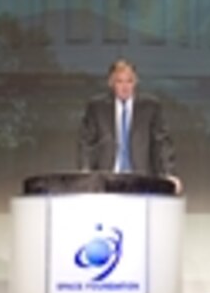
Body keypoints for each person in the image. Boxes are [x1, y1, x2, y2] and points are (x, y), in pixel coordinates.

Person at [78, 59, 182, 194]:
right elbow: (86, 143)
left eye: (129, 81)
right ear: (111, 83)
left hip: (141, 179)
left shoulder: (150, 107)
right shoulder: (97, 107)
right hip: (106, 180)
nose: (125, 87)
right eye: (119, 81)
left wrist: (169, 174)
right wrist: (85, 173)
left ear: (135, 82)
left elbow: (162, 143)